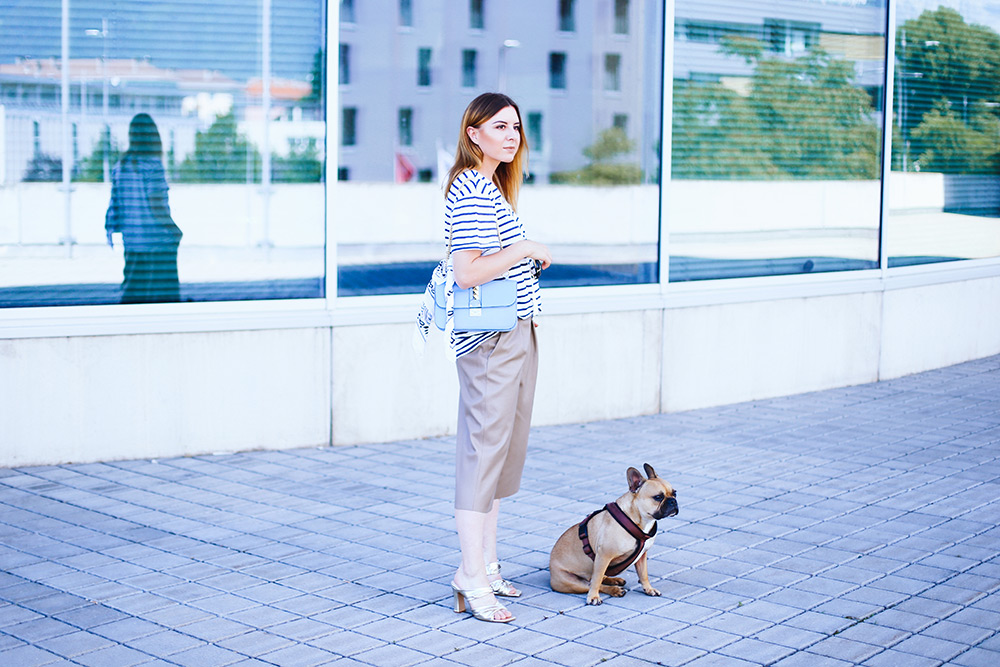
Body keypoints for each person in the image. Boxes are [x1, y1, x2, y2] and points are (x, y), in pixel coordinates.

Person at [444, 93, 552, 623]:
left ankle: (485, 566)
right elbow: (467, 271)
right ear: (474, 133)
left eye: (516, 127)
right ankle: (469, 572)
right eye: (500, 126)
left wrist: (523, 256)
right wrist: (526, 249)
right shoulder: (469, 189)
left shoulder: (492, 188)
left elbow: (495, 261)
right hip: (491, 342)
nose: (512, 136)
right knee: (482, 457)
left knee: (503, 456)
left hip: (516, 334)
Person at [105, 113, 182, 303]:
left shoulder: (120, 167)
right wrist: (174, 230)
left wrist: (113, 230)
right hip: (157, 242)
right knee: (163, 297)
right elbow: (157, 206)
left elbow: (115, 205)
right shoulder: (153, 166)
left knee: (134, 294)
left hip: (133, 241)